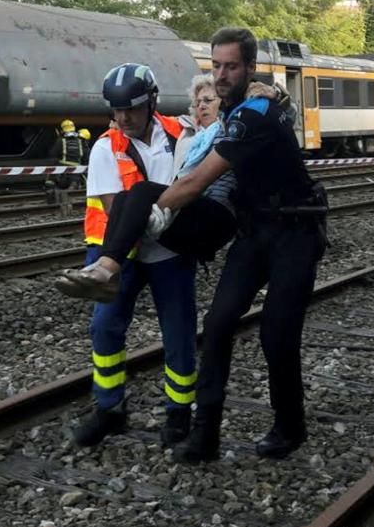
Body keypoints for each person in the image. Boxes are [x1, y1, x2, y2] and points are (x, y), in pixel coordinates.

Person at [150, 27, 327, 463]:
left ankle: (290, 425)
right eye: (217, 66)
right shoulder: (239, 104)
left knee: (276, 334)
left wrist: (151, 214)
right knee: (218, 324)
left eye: (231, 66)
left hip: (295, 231)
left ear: (249, 67)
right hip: (254, 231)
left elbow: (197, 180)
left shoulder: (255, 113)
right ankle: (205, 434)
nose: (222, 74)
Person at [62, 63, 197, 448]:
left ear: (152, 102)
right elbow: (115, 209)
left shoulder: (183, 134)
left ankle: (179, 411)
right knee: (105, 327)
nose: (123, 118)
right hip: (121, 253)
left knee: (180, 331)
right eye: (116, 110)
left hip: (170, 251)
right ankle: (109, 409)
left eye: (132, 110)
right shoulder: (106, 146)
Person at [57, 73, 244, 301]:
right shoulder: (196, 135)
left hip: (217, 217)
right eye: (198, 102)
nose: (202, 106)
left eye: (209, 100)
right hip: (191, 213)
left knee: (141, 190)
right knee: (126, 196)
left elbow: (192, 183)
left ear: (225, 101)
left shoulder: (234, 128)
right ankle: (108, 272)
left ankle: (107, 268)